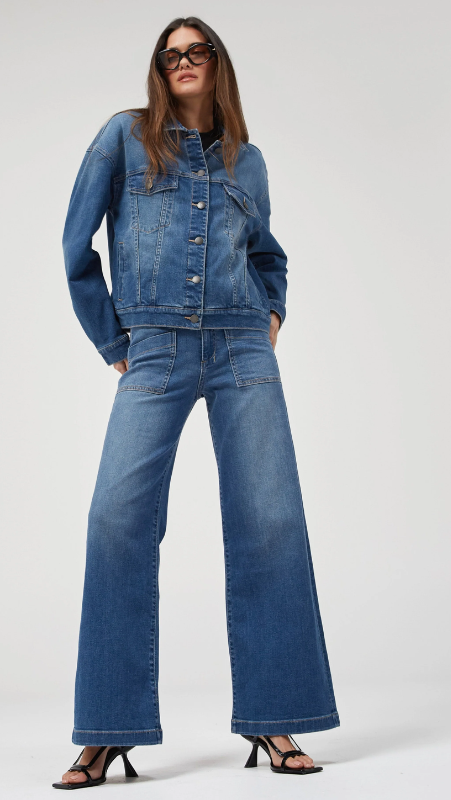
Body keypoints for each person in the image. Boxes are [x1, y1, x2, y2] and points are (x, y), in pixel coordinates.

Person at [53, 15, 340, 790]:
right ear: (159, 68)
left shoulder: (248, 160)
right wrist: (112, 340)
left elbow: (268, 254)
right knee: (116, 520)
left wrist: (270, 315)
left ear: (216, 63)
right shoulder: (123, 137)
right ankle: (107, 729)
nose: (181, 61)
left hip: (242, 349)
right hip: (154, 345)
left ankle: (273, 719)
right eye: (169, 53)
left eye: (195, 51)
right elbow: (76, 246)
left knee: (270, 521)